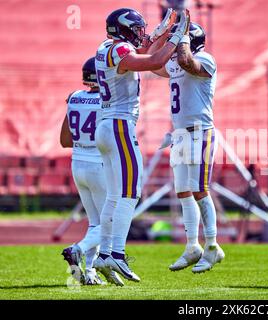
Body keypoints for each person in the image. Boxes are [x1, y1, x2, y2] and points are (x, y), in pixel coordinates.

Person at [92, 7, 188, 284]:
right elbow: (155, 59)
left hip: (108, 126)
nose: (139, 35)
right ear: (122, 29)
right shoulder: (120, 50)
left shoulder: (106, 47)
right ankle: (117, 254)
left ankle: (104, 254)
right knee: (131, 192)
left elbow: (154, 62)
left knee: (114, 195)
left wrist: (162, 33)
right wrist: (176, 36)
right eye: (135, 30)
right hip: (119, 126)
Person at [152, 22, 224, 273]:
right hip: (180, 135)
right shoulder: (174, 61)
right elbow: (152, 62)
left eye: (180, 40)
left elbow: (187, 62)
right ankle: (193, 245)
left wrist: (180, 36)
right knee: (183, 191)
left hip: (200, 133)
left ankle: (213, 246)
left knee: (200, 190)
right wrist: (161, 36)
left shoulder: (205, 59)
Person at [60, 57, 123, 286]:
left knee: (95, 223)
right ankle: (78, 249)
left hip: (78, 163)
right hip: (99, 164)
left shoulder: (74, 97)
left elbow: (65, 140)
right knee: (111, 222)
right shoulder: (109, 101)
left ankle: (89, 273)